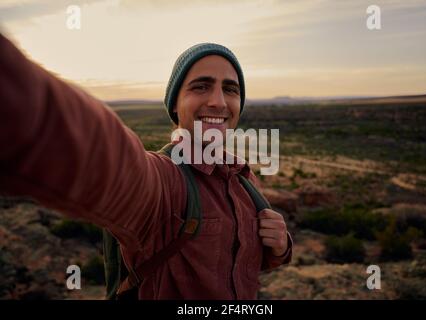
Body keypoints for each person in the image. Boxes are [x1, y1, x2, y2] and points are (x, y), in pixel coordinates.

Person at [0, 33, 292, 300]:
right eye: (201, 86)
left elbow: (235, 264)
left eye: (231, 89)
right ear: (175, 104)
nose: (218, 101)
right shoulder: (165, 181)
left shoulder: (242, 178)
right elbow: (101, 154)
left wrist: (280, 247)